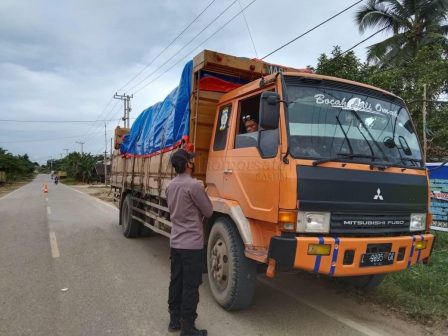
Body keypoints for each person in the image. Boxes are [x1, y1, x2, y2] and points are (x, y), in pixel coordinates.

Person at [166, 149, 213, 336]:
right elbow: (208, 211)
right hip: (192, 244)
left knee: (176, 281)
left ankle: (174, 320)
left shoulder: (170, 186)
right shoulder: (194, 186)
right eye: (191, 159)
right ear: (188, 164)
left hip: (176, 242)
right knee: (191, 285)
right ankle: (188, 327)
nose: (193, 161)